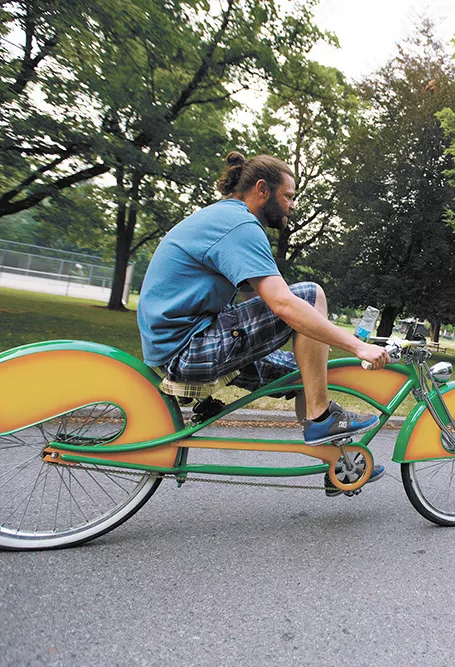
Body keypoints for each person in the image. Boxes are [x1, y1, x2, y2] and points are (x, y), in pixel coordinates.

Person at [137, 152, 391, 494]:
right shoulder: (240, 226)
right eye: (288, 196)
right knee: (308, 294)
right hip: (190, 349)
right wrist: (358, 345)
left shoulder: (226, 220)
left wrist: (312, 342)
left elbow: (255, 304)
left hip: (187, 345)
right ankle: (320, 418)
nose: (293, 205)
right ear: (261, 190)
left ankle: (339, 466)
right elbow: (284, 304)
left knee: (306, 373)